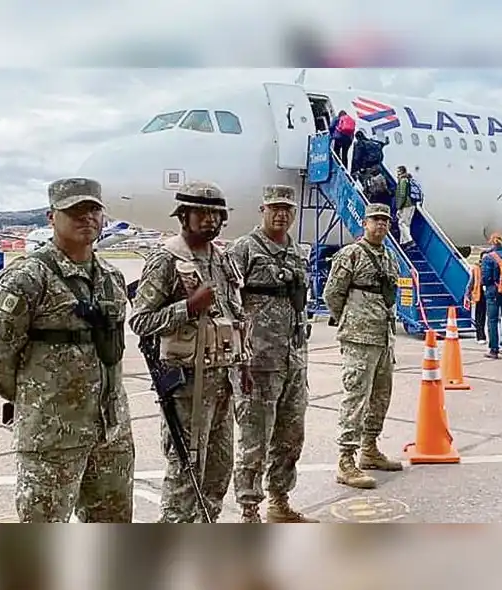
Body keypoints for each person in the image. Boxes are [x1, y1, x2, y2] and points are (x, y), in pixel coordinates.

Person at [0, 177, 134, 522]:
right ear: (51, 216)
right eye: (74, 210)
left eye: (93, 209)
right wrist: (32, 400)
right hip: (52, 436)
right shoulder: (28, 277)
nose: (86, 217)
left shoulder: (112, 277)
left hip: (111, 432)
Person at [128, 181, 252, 522]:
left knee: (218, 472)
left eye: (217, 214)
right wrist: (188, 307)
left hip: (222, 381)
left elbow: (235, 315)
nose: (211, 220)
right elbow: (140, 321)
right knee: (185, 476)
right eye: (202, 213)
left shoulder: (223, 260)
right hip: (186, 389)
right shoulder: (166, 260)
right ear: (183, 216)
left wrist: (245, 364)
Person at [227, 185, 318, 523]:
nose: (282, 214)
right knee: (254, 440)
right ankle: (249, 511)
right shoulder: (244, 250)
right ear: (262, 209)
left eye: (288, 209)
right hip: (258, 361)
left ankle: (279, 501)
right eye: (275, 208)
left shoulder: (295, 251)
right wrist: (240, 351)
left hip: (293, 359)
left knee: (291, 435)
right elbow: (226, 301)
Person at [322, 203, 404, 489]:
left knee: (381, 396)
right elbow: (332, 293)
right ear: (365, 223)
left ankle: (370, 449)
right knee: (356, 397)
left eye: (385, 220)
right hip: (359, 337)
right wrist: (350, 319)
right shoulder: (351, 254)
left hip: (384, 336)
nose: (380, 224)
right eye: (375, 220)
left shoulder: (389, 257)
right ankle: (346, 459)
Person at [393, 165, 419, 246]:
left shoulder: (403, 180)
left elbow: (402, 194)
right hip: (412, 204)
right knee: (406, 224)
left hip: (406, 205)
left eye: (398, 171)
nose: (397, 174)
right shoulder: (409, 179)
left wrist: (399, 207)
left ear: (401, 171)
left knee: (401, 223)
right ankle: (403, 242)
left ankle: (410, 241)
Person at [464, 260, 486, 343]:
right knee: (480, 316)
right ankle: (480, 336)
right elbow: (471, 282)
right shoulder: (476, 268)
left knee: (482, 316)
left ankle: (482, 336)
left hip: (486, 293)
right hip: (480, 293)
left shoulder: (478, 268)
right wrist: (467, 294)